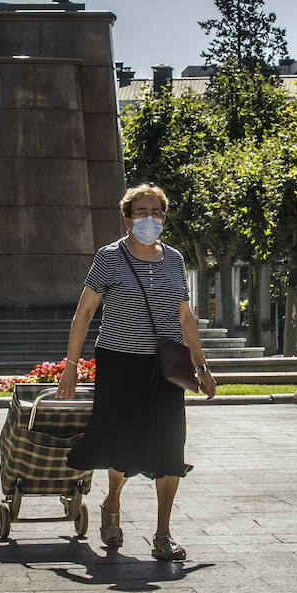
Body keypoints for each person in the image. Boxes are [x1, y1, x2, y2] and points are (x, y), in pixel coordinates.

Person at [56, 183, 217, 561]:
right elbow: (84, 314)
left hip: (165, 367)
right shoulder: (109, 257)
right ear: (127, 218)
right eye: (141, 212)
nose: (150, 219)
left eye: (156, 212)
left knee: (169, 446)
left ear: (164, 218)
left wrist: (202, 367)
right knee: (123, 445)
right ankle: (111, 503)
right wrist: (71, 367)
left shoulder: (175, 260)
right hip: (119, 362)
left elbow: (185, 317)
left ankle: (163, 534)